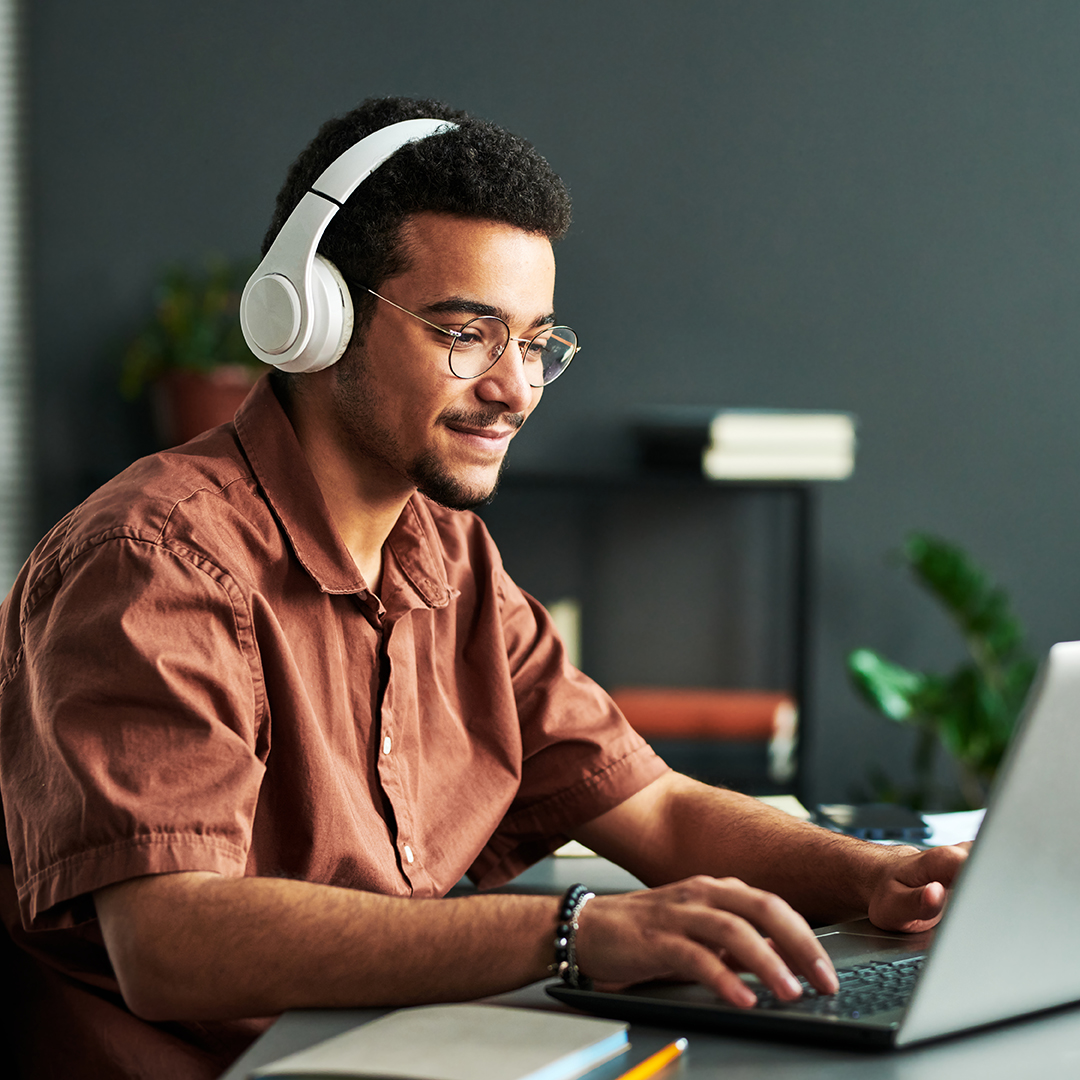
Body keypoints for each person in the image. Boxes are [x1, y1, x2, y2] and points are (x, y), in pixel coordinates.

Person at [0, 97, 968, 1079]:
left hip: (398, 1054)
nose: (516, 387)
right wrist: (574, 933)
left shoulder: (450, 556)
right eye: (469, 334)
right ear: (313, 316)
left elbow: (657, 811)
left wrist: (885, 881)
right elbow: (170, 940)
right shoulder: (155, 558)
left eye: (538, 341)